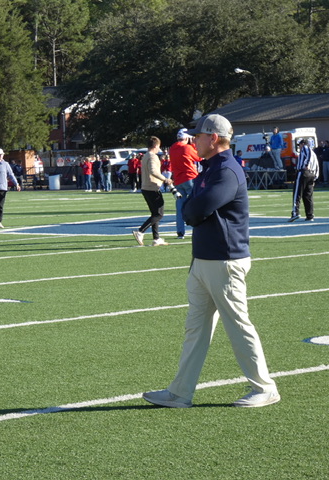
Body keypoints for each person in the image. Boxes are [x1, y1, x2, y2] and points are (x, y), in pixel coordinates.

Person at [142, 114, 280, 408]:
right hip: (204, 259)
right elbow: (193, 208)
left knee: (238, 325)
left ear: (213, 138)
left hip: (224, 260)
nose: (194, 140)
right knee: (196, 329)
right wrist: (192, 206)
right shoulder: (212, 168)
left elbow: (194, 211)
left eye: (199, 136)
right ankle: (180, 392)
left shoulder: (226, 170)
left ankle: (265, 387)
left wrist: (191, 206)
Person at [132, 136, 173, 247]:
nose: (159, 149)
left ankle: (156, 238)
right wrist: (165, 179)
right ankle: (140, 231)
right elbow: (153, 171)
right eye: (159, 146)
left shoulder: (145, 155)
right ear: (155, 145)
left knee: (155, 213)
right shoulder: (152, 156)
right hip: (152, 187)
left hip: (146, 187)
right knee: (159, 214)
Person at [168, 128, 201, 239]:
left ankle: (180, 232)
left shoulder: (172, 148)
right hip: (190, 178)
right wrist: (193, 144)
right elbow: (199, 157)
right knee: (196, 205)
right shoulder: (187, 148)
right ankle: (198, 229)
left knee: (179, 207)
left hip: (178, 180)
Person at [289, 138, 319, 222]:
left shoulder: (306, 148)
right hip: (311, 174)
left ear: (303, 144)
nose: (299, 147)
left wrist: (306, 164)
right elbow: (317, 166)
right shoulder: (314, 153)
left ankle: (295, 213)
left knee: (297, 194)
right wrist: (315, 177)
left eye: (299, 145)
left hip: (303, 173)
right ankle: (310, 215)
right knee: (308, 196)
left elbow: (307, 153)